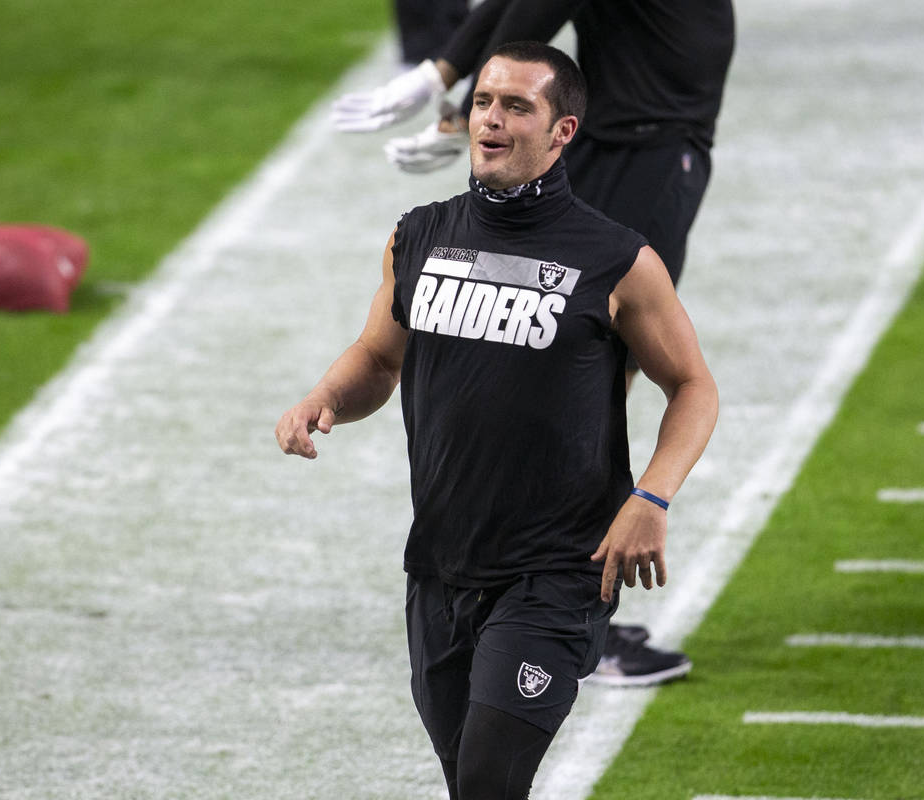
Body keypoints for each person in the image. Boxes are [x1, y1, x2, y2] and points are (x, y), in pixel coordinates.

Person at [279, 42, 717, 799]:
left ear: (563, 131)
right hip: (440, 566)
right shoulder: (417, 236)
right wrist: (324, 397)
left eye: (518, 106)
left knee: (485, 782)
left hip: (557, 572)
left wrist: (651, 497)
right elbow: (379, 359)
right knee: (473, 785)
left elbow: (693, 386)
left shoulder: (616, 260)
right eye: (484, 101)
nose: (492, 118)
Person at [331, 0, 735, 685]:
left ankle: (547, 598)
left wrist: (450, 84)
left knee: (587, 354)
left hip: (626, 136)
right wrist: (448, 79)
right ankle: (572, 612)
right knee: (598, 359)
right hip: (642, 145)